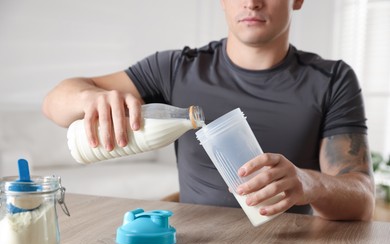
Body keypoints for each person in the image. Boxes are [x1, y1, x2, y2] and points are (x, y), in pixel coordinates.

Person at [42, 0, 375, 221]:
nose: (251, 2)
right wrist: (89, 99)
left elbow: (361, 199)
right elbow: (55, 102)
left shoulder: (332, 80)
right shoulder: (175, 69)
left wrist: (308, 182)